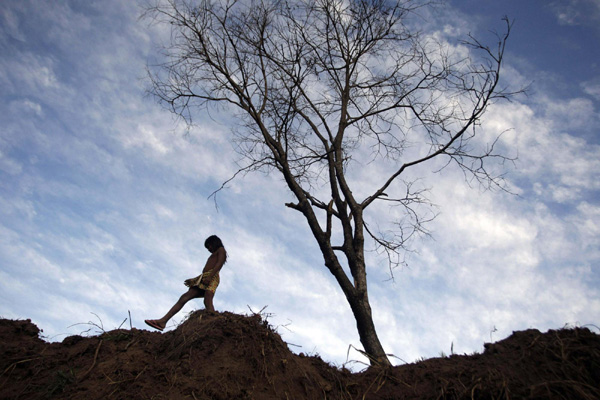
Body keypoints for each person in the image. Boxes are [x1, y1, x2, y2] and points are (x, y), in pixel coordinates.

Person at [144, 235, 227, 331]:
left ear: (214, 242)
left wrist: (210, 277)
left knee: (207, 300)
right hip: (204, 277)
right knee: (185, 296)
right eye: (207, 247)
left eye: (209, 246)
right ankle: (163, 321)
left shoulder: (221, 250)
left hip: (212, 277)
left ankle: (215, 323)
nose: (209, 249)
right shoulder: (213, 254)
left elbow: (219, 264)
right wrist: (195, 280)